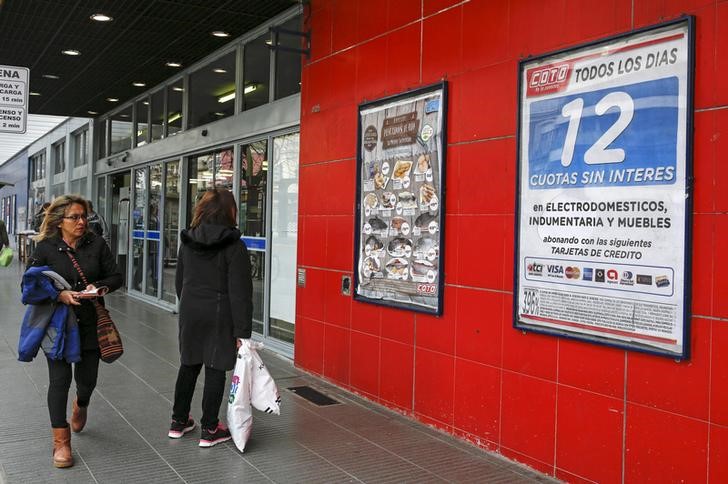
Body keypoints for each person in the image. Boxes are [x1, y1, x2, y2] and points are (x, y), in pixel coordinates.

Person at [27, 195, 123, 468]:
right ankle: (61, 442)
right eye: (75, 217)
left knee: (87, 380)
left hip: (91, 322)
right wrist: (60, 296)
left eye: (85, 217)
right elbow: (30, 285)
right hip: (58, 324)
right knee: (59, 381)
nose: (82, 222)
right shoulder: (46, 248)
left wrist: (99, 288)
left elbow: (116, 276)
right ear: (60, 221)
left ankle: (81, 404)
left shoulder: (97, 244)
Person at [170, 188, 253, 447]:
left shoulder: (188, 241)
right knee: (215, 367)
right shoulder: (235, 246)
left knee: (189, 363)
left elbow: (179, 281)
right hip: (220, 313)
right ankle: (210, 428)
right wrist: (242, 331)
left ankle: (178, 421)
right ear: (230, 212)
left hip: (191, 311)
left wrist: (188, 304)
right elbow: (240, 292)